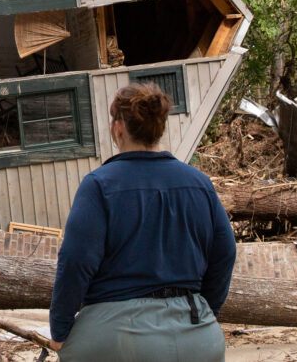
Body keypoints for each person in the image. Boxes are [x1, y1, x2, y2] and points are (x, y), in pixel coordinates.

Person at [48, 83, 236, 361]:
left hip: (119, 338)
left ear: (118, 128)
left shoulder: (98, 185)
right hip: (197, 334)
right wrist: (204, 310)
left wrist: (60, 330)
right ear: (158, 129)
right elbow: (226, 253)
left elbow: (76, 260)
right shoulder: (200, 184)